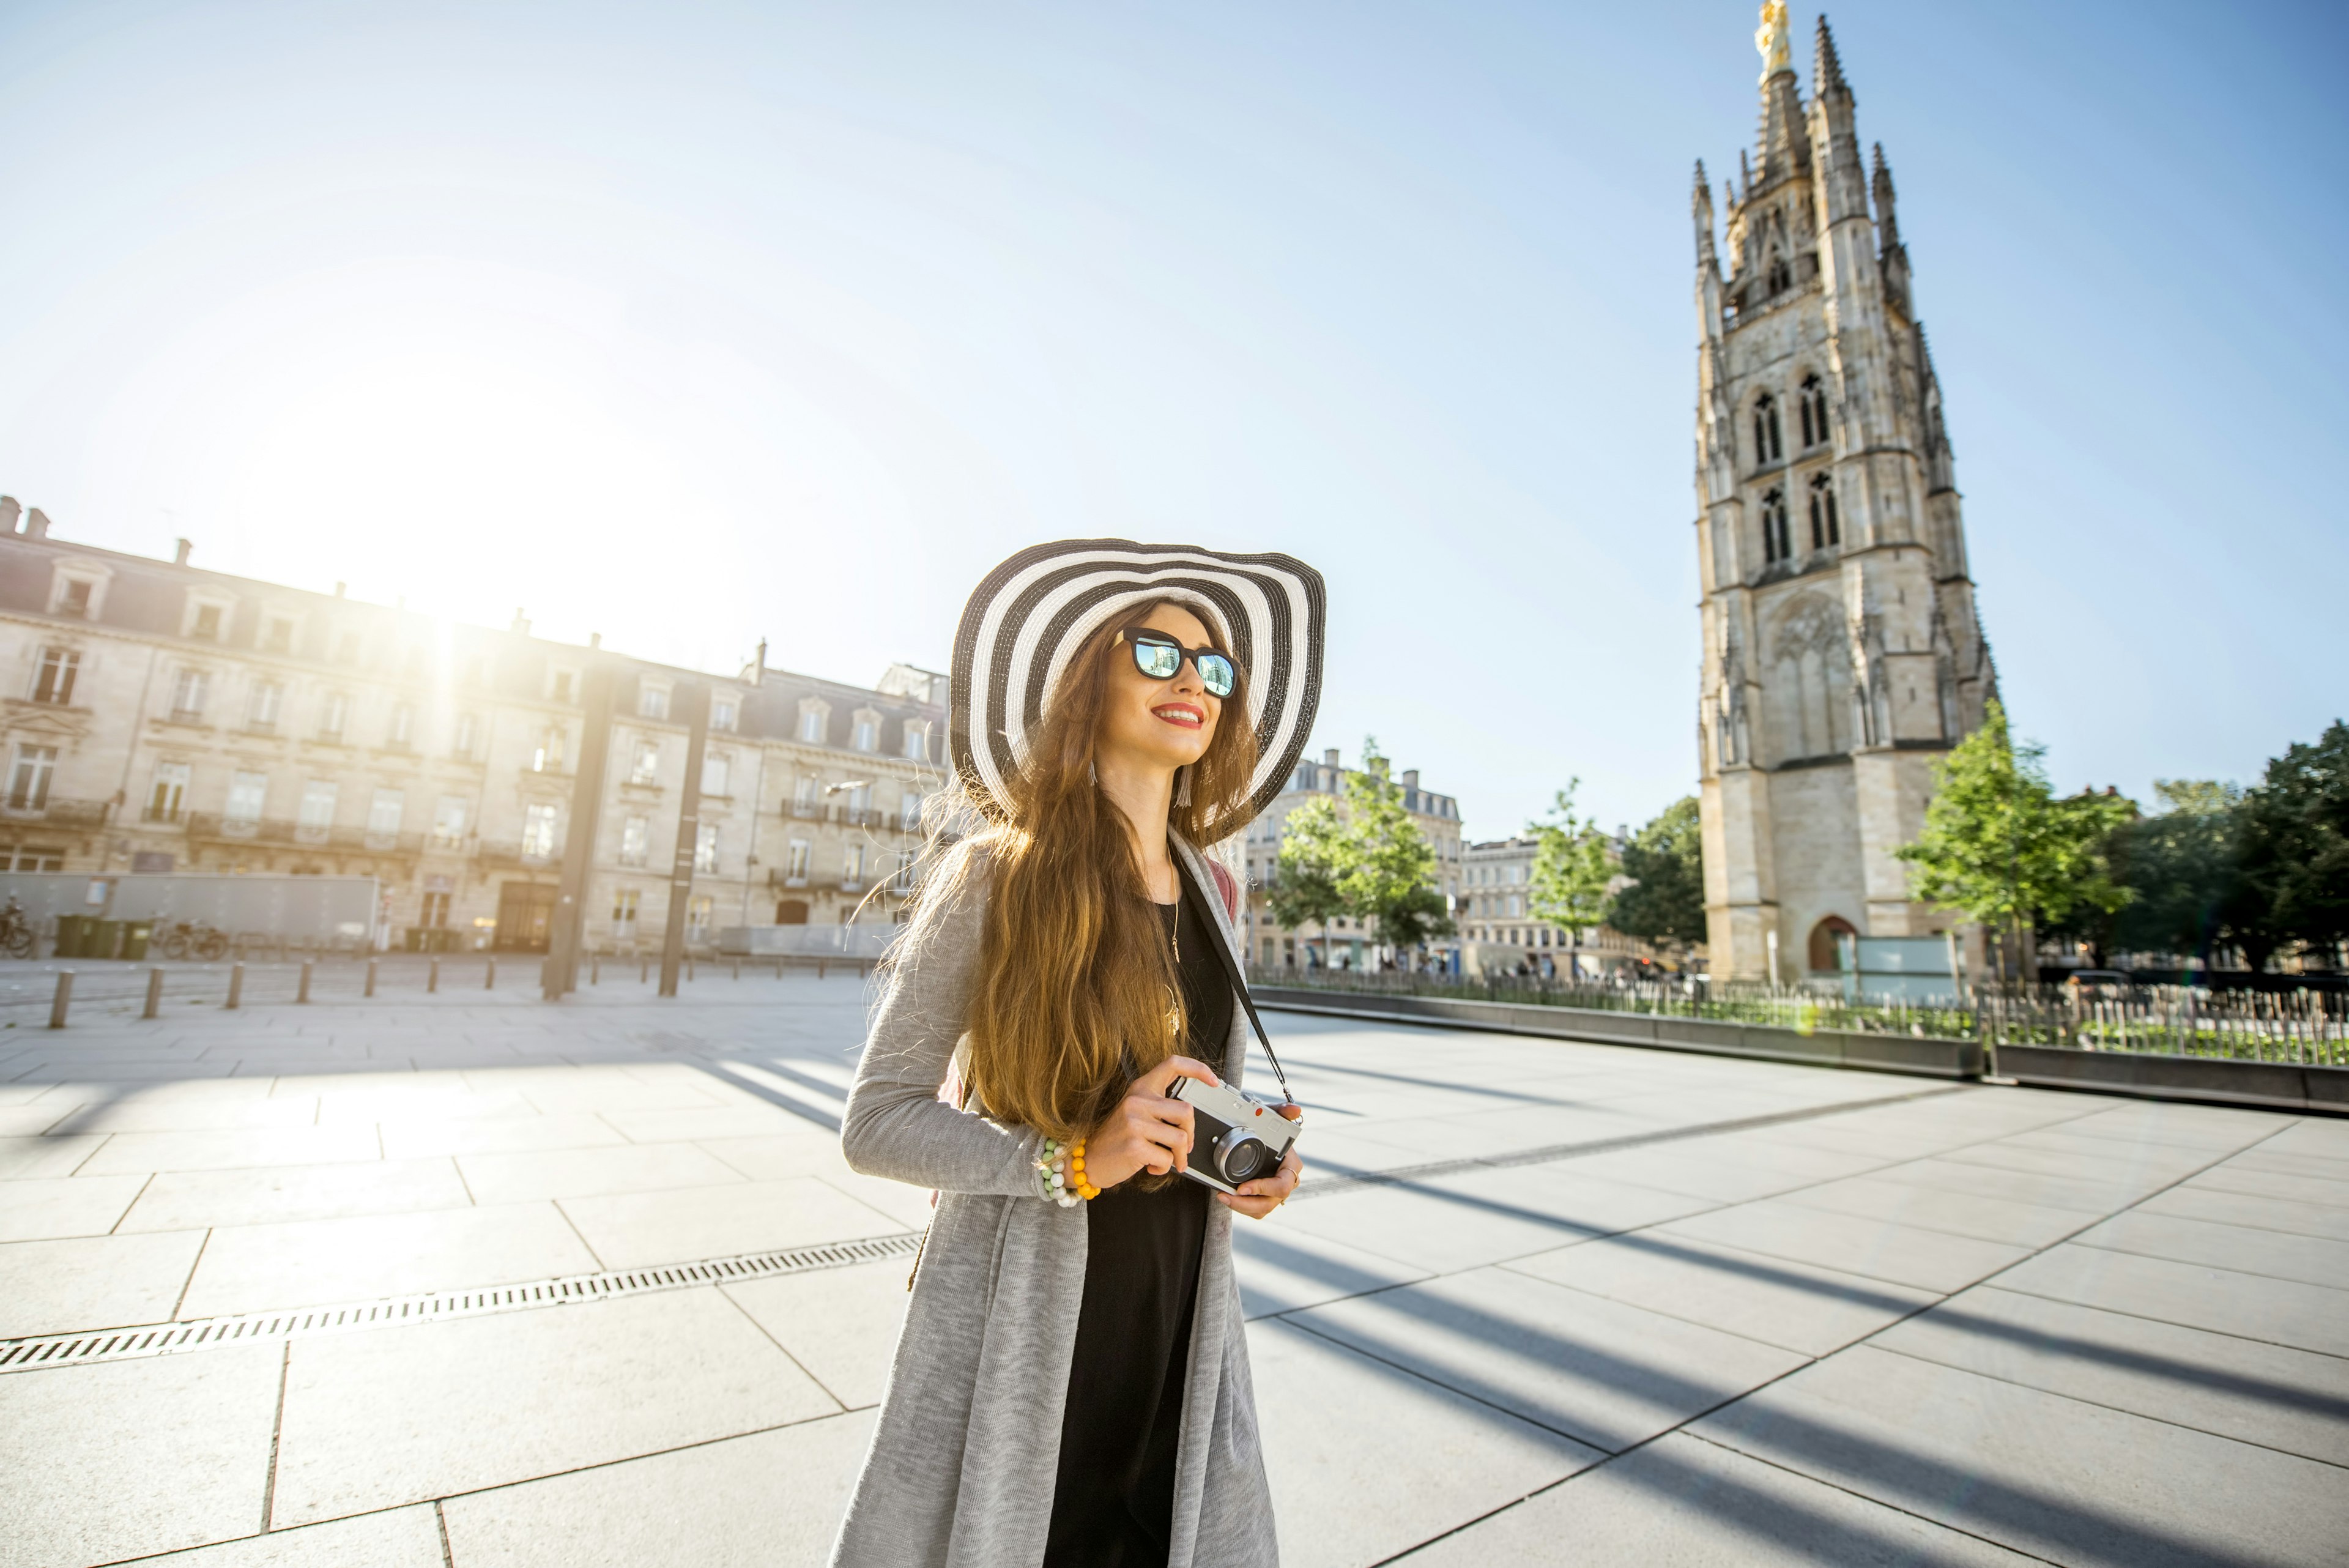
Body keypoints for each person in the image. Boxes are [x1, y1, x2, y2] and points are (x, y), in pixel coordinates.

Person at [831, 541, 1326, 1568]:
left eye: (1215, 668)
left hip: (1182, 1308)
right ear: (1086, 675)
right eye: (1158, 652)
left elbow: (1188, 1095)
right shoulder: (997, 875)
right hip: (1033, 1312)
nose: (1195, 680)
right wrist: (1064, 1161)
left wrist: (1252, 1160)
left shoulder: (1214, 895)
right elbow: (877, 1122)